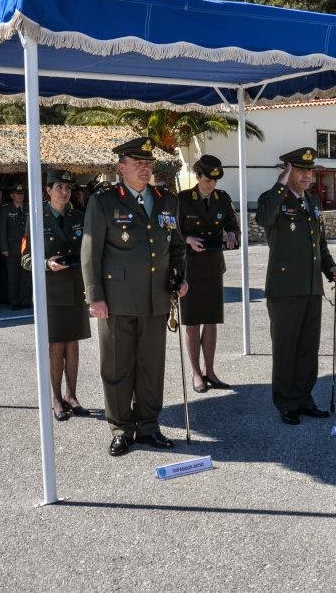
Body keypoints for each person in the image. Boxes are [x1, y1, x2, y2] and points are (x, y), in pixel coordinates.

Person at [82, 138, 188, 457]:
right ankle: (120, 429)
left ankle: (148, 426)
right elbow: (90, 253)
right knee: (117, 367)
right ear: (121, 167)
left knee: (151, 366)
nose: (145, 168)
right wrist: (95, 296)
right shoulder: (104, 202)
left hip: (157, 299)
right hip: (117, 300)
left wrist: (180, 278)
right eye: (137, 163)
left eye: (148, 163)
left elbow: (177, 246)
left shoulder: (166, 200)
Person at [256, 147, 336, 426]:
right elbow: (263, 219)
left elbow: (320, 244)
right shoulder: (273, 200)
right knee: (286, 348)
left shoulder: (313, 202)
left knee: (308, 347)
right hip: (284, 289)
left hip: (311, 288)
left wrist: (330, 269)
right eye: (301, 170)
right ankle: (286, 403)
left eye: (310, 171)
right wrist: (281, 182)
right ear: (289, 171)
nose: (308, 176)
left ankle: (305, 398)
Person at [22, 170, 92, 421]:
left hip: (75, 287)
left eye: (68, 188)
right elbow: (25, 258)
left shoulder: (80, 217)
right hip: (50, 291)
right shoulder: (36, 217)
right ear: (48, 190)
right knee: (55, 346)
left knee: (73, 344)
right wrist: (44, 263)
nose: (65, 192)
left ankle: (71, 395)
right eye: (59, 187)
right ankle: (56, 398)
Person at [178, 154, 240, 393]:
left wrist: (232, 235)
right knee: (192, 323)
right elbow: (172, 232)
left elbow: (233, 225)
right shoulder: (183, 199)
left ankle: (210, 371)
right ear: (198, 176)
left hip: (213, 266)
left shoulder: (222, 199)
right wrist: (187, 239)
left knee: (212, 321)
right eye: (207, 180)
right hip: (190, 268)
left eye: (215, 180)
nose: (211, 184)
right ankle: (196, 373)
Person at [0, 183, 32, 310]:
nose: (20, 196)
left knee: (26, 275)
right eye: (18, 194)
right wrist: (4, 248)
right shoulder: (6, 209)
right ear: (12, 195)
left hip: (27, 248)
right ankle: (15, 301)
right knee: (13, 276)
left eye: (22, 194)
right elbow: (2, 231)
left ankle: (26, 299)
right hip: (12, 248)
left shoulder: (28, 207)